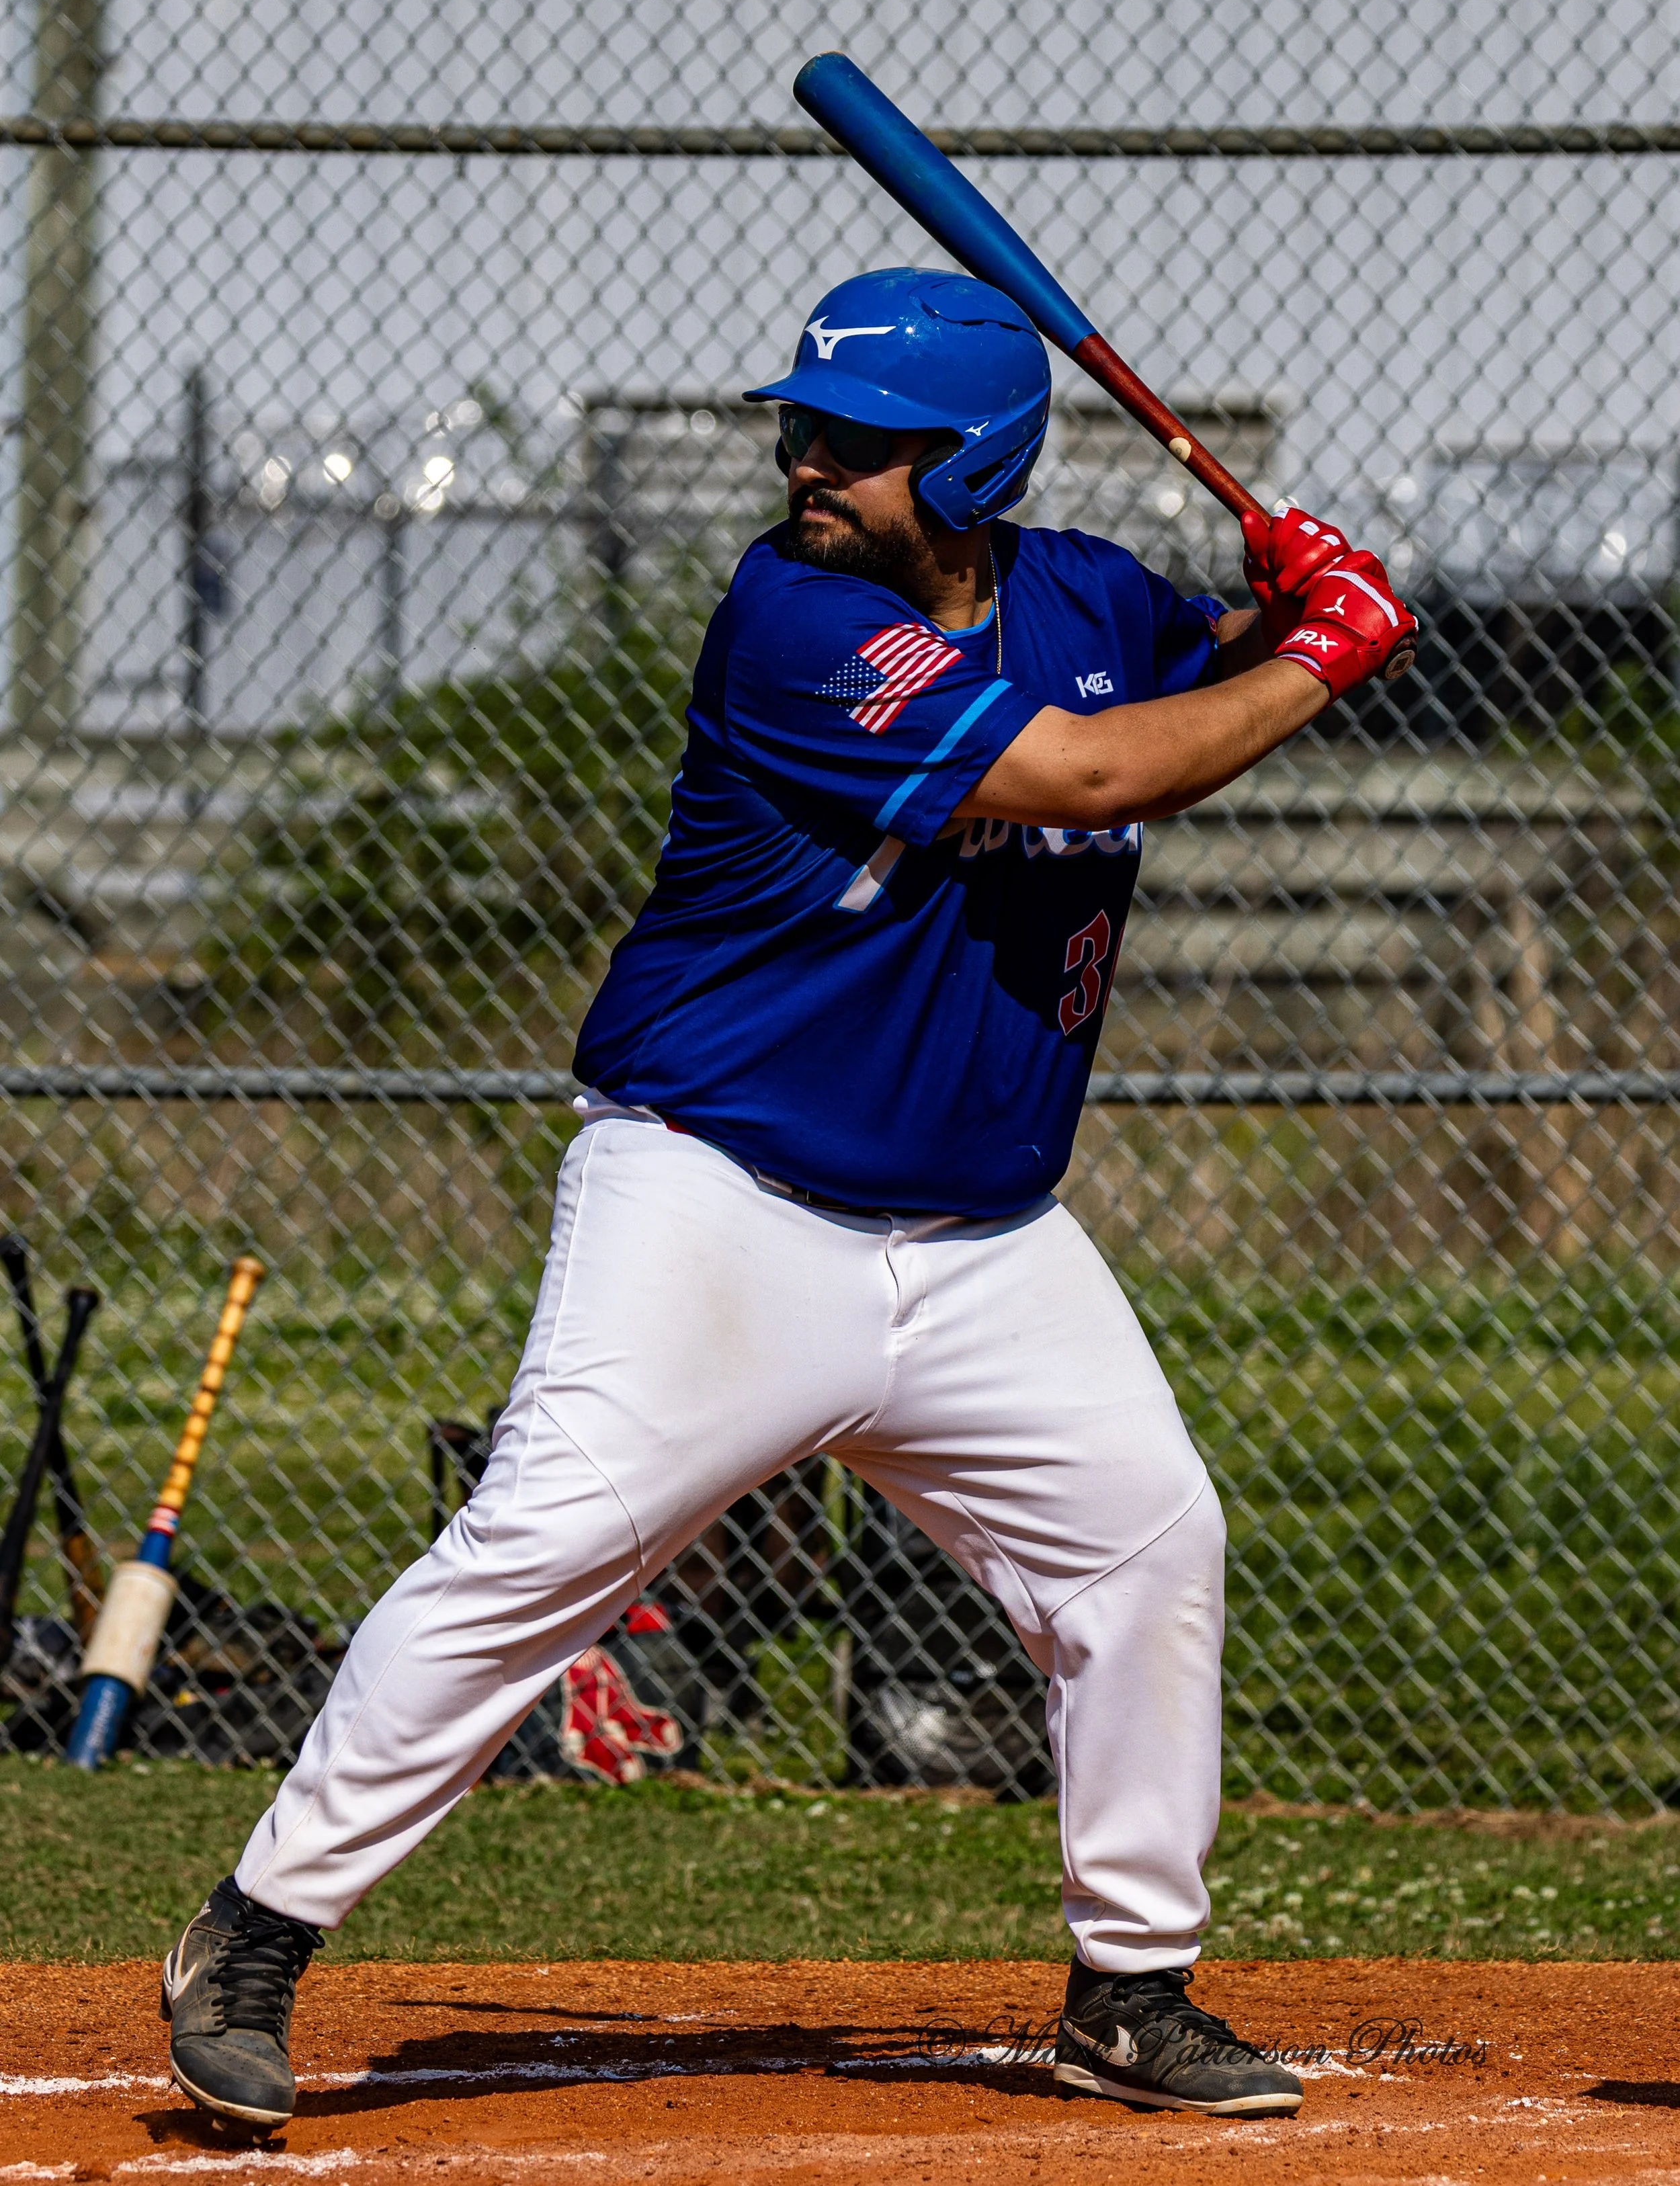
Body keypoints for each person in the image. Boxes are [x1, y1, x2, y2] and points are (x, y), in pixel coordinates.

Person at [159, 266, 1415, 2130]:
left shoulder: (1077, 591)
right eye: (800, 429)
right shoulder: (792, 615)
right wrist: (1327, 655)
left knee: (1146, 1543)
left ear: (976, 459)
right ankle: (253, 1934)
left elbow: (1188, 670)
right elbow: (1082, 764)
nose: (804, 463)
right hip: (723, 1199)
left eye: (856, 444)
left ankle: (1129, 1991)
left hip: (984, 1242)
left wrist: (1290, 598)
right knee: (541, 1552)